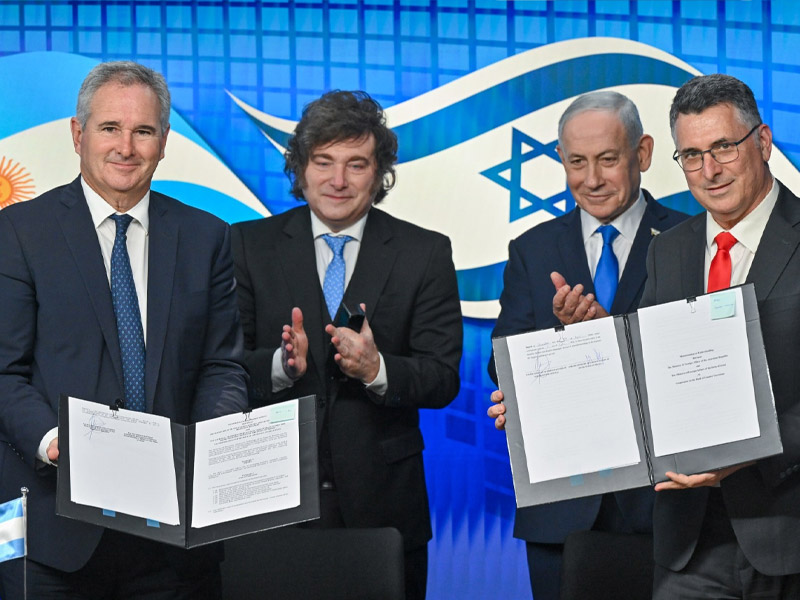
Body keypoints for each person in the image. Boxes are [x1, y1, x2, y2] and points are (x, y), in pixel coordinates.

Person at [0, 61, 248, 599]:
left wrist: (209, 446)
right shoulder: (18, 232)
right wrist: (55, 444)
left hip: (175, 540)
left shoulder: (207, 237)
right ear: (78, 134)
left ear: (164, 143)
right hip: (54, 535)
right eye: (110, 127)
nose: (126, 147)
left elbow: (222, 366)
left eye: (143, 131)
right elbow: (4, 372)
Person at [230, 90, 463, 600]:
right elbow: (220, 368)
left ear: (379, 173)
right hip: (269, 501)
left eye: (356, 164)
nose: (338, 180)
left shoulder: (424, 252)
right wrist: (281, 366)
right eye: (324, 162)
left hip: (385, 508)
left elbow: (442, 377)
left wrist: (378, 370)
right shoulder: (246, 245)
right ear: (300, 168)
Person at [487, 91, 688, 599]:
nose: (591, 178)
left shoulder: (690, 238)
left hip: (663, 504)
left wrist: (604, 336)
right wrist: (564, 341)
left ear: (642, 153)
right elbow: (501, 362)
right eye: (577, 162)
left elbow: (696, 356)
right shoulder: (532, 249)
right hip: (561, 507)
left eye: (607, 159)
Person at [641, 73, 800, 598]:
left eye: (723, 147)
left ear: (763, 142)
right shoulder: (667, 250)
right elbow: (648, 374)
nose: (709, 170)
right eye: (691, 155)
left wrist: (752, 449)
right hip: (687, 545)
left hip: (789, 533)